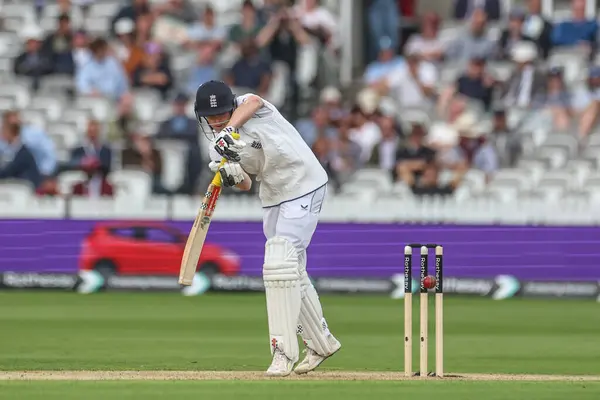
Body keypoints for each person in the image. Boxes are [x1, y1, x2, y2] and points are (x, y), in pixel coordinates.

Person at [193, 80, 341, 377]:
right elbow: (247, 183)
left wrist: (228, 131)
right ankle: (322, 342)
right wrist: (232, 174)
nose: (217, 120)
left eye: (222, 114)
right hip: (273, 193)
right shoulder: (216, 149)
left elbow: (255, 102)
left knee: (279, 261)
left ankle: (283, 352)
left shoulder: (250, 107)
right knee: (289, 270)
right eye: (212, 118)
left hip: (304, 182)